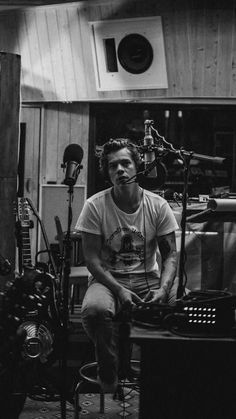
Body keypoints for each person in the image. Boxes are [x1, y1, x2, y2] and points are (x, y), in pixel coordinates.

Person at [75, 138, 179, 393]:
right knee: (95, 310)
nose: (120, 170)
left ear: (137, 166)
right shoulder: (94, 205)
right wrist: (119, 290)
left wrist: (164, 289)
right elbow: (92, 260)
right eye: (113, 166)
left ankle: (164, 373)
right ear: (107, 173)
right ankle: (109, 374)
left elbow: (171, 256)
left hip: (149, 278)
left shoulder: (157, 205)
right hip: (108, 279)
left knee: (182, 304)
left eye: (125, 163)